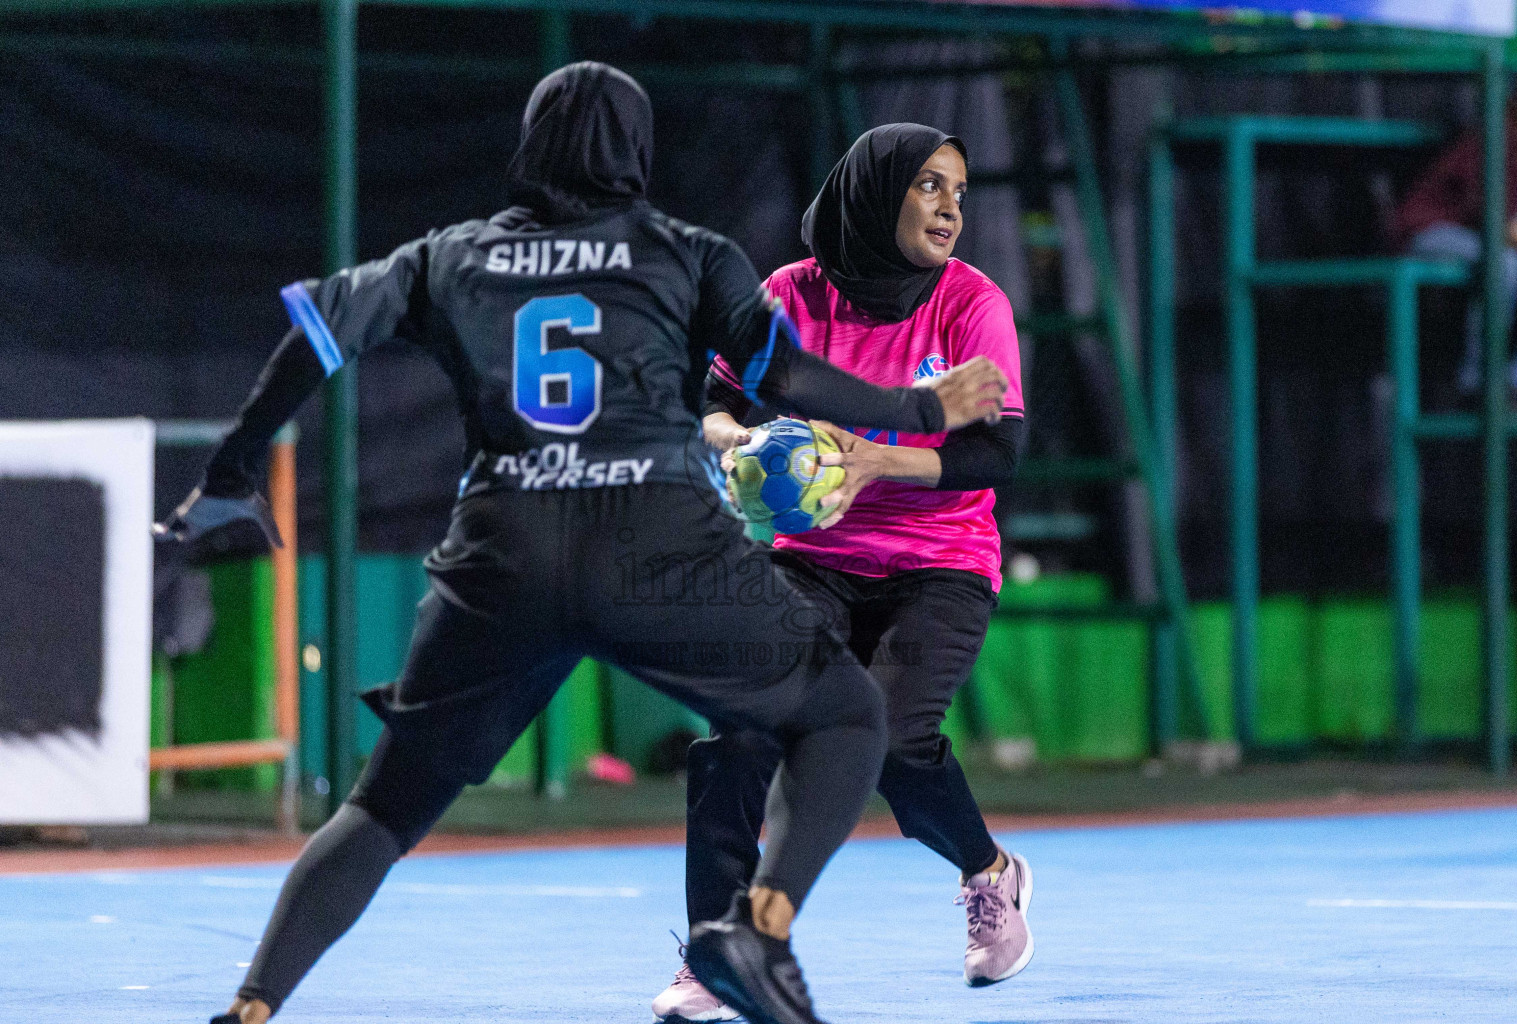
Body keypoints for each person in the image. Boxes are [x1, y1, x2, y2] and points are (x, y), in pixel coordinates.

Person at [157, 64, 1007, 1024]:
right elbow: (794, 380)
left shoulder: (448, 257)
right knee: (848, 717)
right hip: (658, 551)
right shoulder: (685, 253)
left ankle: (252, 1007)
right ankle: (756, 931)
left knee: (380, 811)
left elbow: (314, 332)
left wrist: (229, 470)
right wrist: (918, 407)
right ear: (637, 151)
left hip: (502, 558)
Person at [650, 124, 1030, 1024]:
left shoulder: (972, 306)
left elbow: (998, 451)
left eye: (960, 194)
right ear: (874, 191)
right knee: (741, 726)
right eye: (931, 187)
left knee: (892, 743)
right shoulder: (787, 295)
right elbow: (709, 405)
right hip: (809, 556)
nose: (951, 209)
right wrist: (740, 441)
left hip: (938, 561)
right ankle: (720, 949)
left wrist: (869, 461)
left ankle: (990, 874)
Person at [1395, 75, 1517, 400]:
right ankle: (1479, 382)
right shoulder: (1497, 136)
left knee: (1511, 261)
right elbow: (1494, 221)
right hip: (1431, 231)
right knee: (1506, 265)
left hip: (1491, 240)